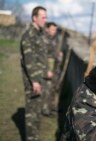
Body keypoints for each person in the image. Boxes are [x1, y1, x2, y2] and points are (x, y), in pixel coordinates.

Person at [20, 6, 52, 141]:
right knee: (32, 112)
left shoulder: (40, 33)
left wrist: (46, 71)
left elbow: (41, 56)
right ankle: (31, 138)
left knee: (37, 110)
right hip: (33, 80)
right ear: (34, 18)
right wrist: (34, 81)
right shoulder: (29, 35)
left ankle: (35, 137)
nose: (45, 20)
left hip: (40, 78)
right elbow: (29, 60)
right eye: (43, 17)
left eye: (46, 17)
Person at [42, 22, 60, 116]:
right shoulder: (44, 39)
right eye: (52, 29)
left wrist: (59, 54)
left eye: (55, 30)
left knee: (53, 88)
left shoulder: (55, 39)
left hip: (55, 68)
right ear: (47, 29)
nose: (54, 31)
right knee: (47, 89)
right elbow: (43, 56)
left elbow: (54, 52)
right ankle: (45, 109)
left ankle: (52, 107)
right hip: (48, 68)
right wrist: (47, 70)